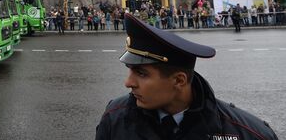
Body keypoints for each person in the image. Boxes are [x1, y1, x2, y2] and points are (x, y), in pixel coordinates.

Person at [95, 15, 278, 140]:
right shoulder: (114, 118)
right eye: (130, 70)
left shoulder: (248, 134)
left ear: (179, 80)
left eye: (141, 73)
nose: (128, 83)